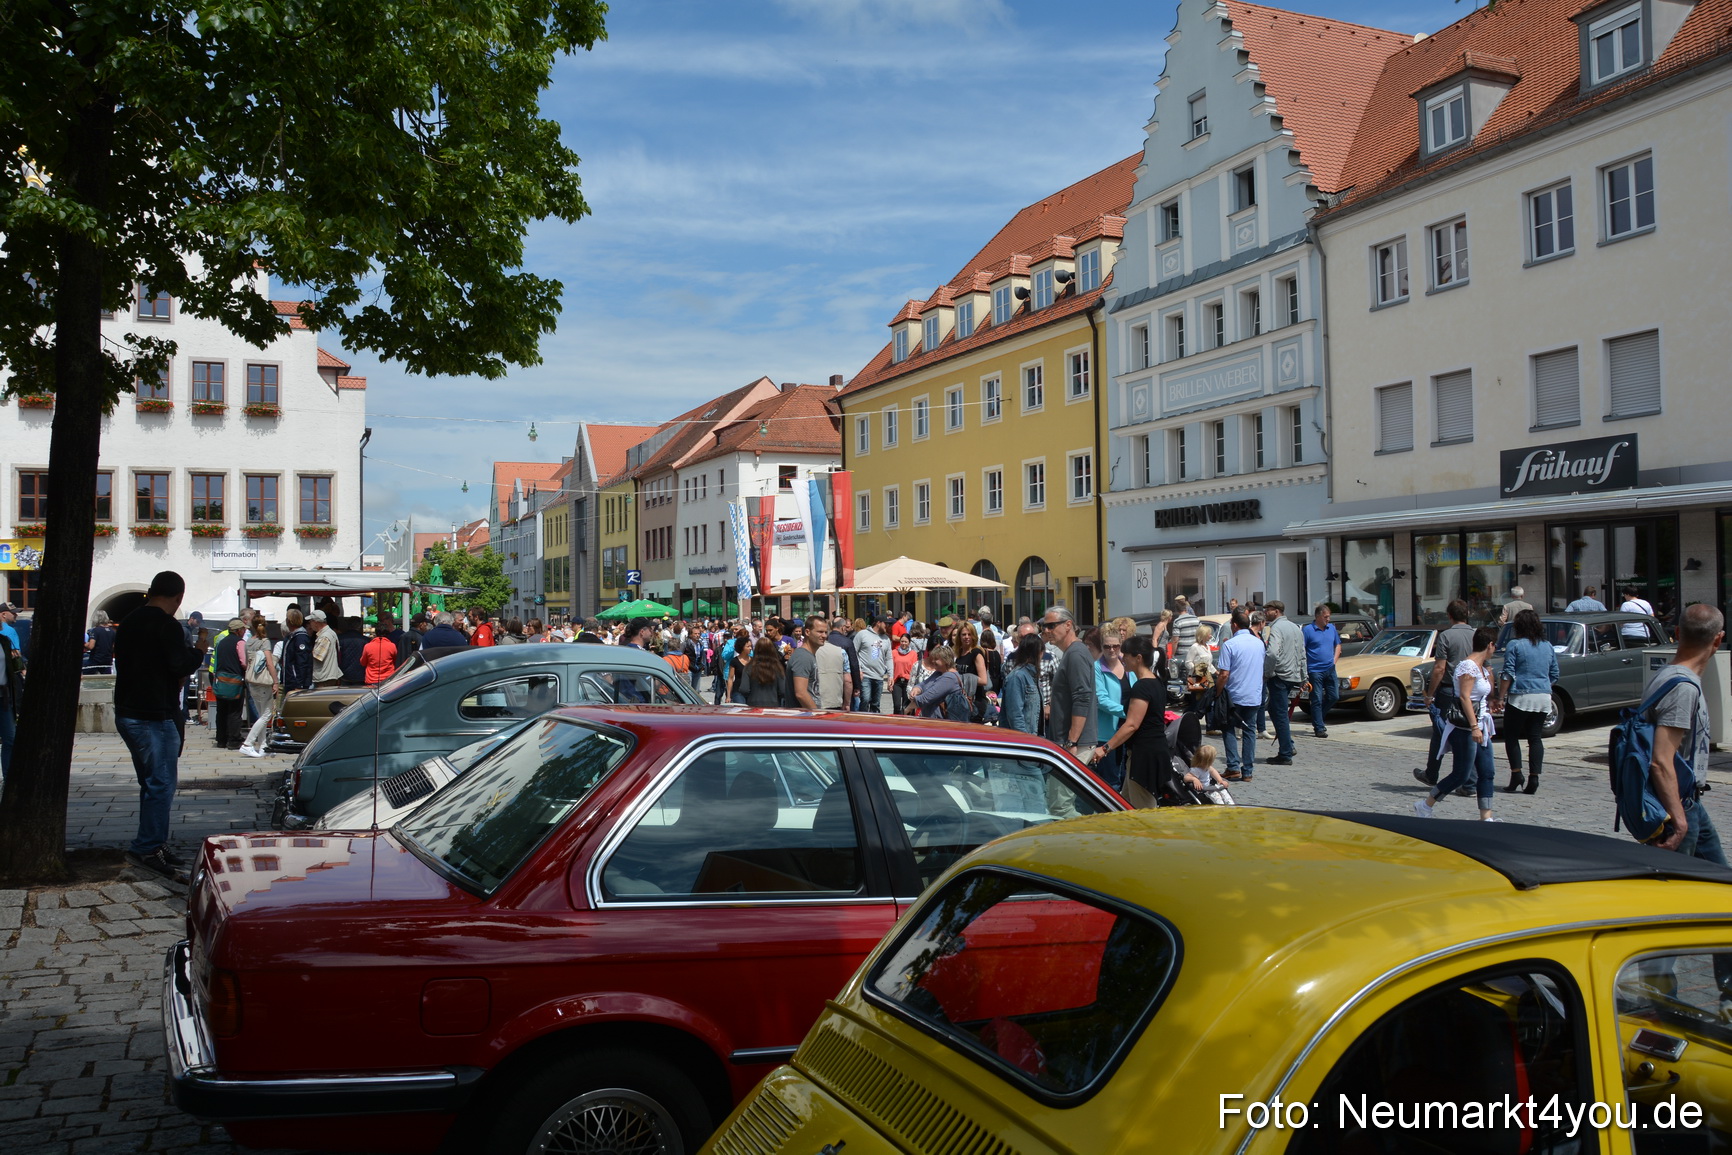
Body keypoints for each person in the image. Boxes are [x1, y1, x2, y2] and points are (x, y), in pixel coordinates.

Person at [113, 571, 208, 879]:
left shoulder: (128, 621)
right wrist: (199, 651)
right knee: (161, 784)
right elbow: (179, 665)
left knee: (150, 783)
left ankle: (154, 842)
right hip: (155, 714)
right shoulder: (167, 625)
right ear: (178, 597)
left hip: (129, 711)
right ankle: (148, 846)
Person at [1645, 604, 1727, 858]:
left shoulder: (1672, 676)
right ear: (1718, 639)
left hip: (1690, 801)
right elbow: (1660, 761)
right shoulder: (1682, 688)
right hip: (1677, 807)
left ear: (1677, 632)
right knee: (1677, 890)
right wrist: (1679, 822)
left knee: (1719, 882)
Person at [1414, 626, 1498, 822]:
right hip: (1465, 728)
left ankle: (1486, 819)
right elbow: (1465, 698)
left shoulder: (1482, 668)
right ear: (1489, 645)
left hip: (1481, 725)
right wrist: (1474, 726)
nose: (1495, 650)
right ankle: (1426, 804)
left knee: (1487, 772)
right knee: (1461, 774)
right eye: (1495, 646)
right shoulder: (1467, 666)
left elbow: (1481, 696)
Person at [1090, 635, 1168, 806]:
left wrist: (1105, 748)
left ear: (1138, 658)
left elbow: (1132, 724)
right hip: (1149, 752)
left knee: (1143, 812)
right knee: (1125, 804)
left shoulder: (1142, 686)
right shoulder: (1155, 682)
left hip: (1145, 755)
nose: (1122, 658)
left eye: (1125, 655)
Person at [1497, 609, 1559, 795]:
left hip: (1519, 696)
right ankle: (1534, 777)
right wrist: (1542, 685)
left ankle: (1516, 774)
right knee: (1535, 737)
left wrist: (1501, 696)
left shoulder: (1514, 645)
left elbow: (1508, 673)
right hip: (1543, 696)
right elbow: (1554, 674)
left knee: (1512, 736)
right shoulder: (1547, 645)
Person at [1416, 599, 1476, 787]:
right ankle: (1470, 780)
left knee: (1441, 732)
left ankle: (1432, 773)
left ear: (1450, 616)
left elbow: (1439, 669)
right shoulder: (1476, 634)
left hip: (1450, 690)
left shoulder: (1446, 636)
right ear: (1467, 615)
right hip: (1472, 690)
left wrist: (1429, 694)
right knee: (1469, 733)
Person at [1040, 607, 1097, 761]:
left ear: (1068, 625)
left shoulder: (1076, 654)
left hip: (1074, 744)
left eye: (1051, 626)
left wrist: (1072, 741)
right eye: (1044, 626)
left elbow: (1082, 698)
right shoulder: (1071, 652)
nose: (1046, 630)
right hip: (1068, 742)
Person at [1216, 609, 1264, 781]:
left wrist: (1217, 691)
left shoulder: (1230, 645)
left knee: (1228, 728)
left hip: (1234, 695)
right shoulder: (1259, 643)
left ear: (1235, 625)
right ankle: (1248, 771)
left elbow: (1224, 674)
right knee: (1250, 731)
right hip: (1253, 694)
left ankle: (1233, 766)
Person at [1262, 601, 1304, 766]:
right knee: (1275, 709)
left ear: (1277, 611)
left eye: (1268, 610)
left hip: (1279, 676)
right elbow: (1302, 653)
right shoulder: (1295, 627)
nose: (1265, 612)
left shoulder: (1277, 628)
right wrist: (1303, 676)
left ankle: (1285, 753)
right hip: (1292, 676)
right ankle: (1288, 744)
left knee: (1279, 714)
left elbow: (1272, 653)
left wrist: (1267, 672)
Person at [1085, 629, 1127, 790]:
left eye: (1115, 646)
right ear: (1101, 647)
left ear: (1120, 645)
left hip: (1129, 731)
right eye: (1107, 646)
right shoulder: (1096, 668)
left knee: (1126, 778)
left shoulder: (1127, 664)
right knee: (1111, 782)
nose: (1111, 650)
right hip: (1106, 733)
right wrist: (1130, 712)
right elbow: (1101, 700)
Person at [236, 619, 279, 758]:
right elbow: (270, 663)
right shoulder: (264, 641)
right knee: (267, 715)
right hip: (263, 682)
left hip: (252, 681)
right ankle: (248, 743)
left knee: (261, 715)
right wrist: (276, 681)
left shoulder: (248, 641)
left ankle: (263, 746)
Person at [1300, 604, 1341, 739]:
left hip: (1330, 669)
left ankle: (1318, 718)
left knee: (1333, 696)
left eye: (1329, 617)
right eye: (1326, 617)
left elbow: (1338, 645)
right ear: (1318, 616)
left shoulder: (1331, 629)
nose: (1328, 619)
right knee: (1316, 699)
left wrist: (1334, 661)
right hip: (1314, 670)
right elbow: (1302, 650)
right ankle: (1319, 727)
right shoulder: (1308, 630)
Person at [210, 618, 249, 750]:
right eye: (243, 629)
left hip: (221, 680)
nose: (244, 631)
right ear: (238, 630)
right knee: (234, 711)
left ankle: (221, 739)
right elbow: (244, 662)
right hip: (234, 681)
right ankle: (233, 740)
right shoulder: (240, 642)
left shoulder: (221, 642)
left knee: (221, 711)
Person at [1000, 635, 1043, 735]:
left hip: (1035, 737)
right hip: (1022, 740)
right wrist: (1026, 741)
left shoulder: (1033, 676)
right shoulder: (1017, 677)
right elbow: (1015, 715)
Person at [909, 644, 966, 720]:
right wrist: (917, 688)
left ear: (946, 660)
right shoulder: (939, 672)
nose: (933, 661)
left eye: (936, 659)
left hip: (941, 722)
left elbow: (926, 698)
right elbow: (923, 684)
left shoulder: (949, 678)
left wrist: (908, 708)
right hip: (931, 719)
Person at [741, 638, 792, 707]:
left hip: (753, 705)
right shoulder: (778, 667)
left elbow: (744, 689)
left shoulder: (749, 667)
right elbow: (783, 690)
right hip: (773, 705)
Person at [856, 617, 890, 713]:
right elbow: (854, 652)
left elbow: (889, 658)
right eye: (885, 623)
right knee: (865, 700)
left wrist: (891, 675)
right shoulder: (862, 634)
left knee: (875, 704)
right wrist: (858, 669)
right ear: (878, 623)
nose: (887, 626)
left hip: (879, 676)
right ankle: (862, 722)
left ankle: (874, 725)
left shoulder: (886, 639)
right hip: (865, 675)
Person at [308, 611, 343, 688]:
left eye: (310, 621)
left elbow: (318, 656)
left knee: (323, 699)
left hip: (324, 677)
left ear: (316, 622)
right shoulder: (330, 632)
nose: (310, 624)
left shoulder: (324, 636)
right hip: (329, 675)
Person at [890, 631, 919, 716]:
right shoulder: (894, 652)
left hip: (908, 682)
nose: (903, 643)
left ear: (909, 642)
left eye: (905, 641)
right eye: (902, 641)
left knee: (906, 706)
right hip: (897, 682)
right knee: (897, 705)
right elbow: (891, 667)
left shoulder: (913, 654)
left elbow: (914, 669)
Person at [336, 616, 367, 685]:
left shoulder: (340, 638)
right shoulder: (366, 640)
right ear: (359, 626)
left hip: (343, 674)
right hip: (360, 674)